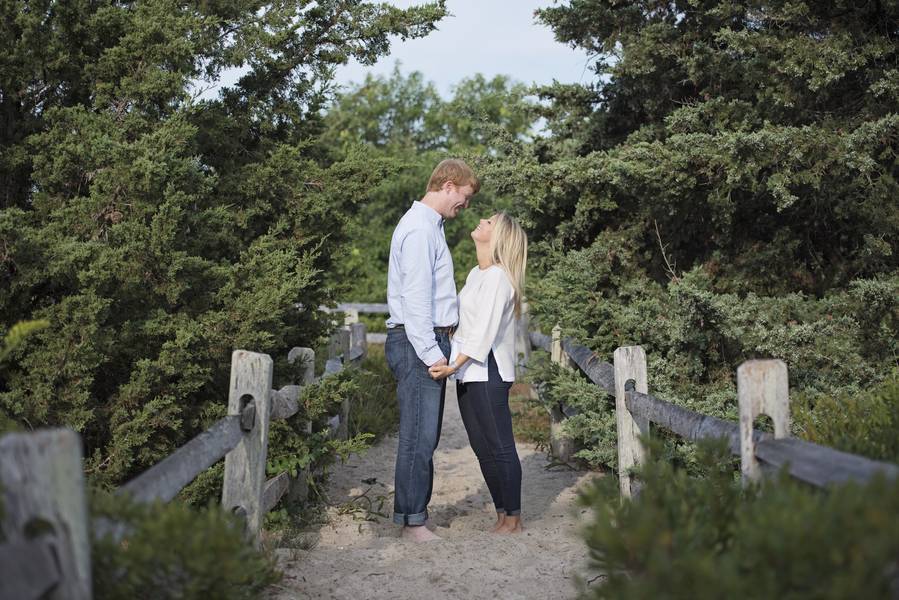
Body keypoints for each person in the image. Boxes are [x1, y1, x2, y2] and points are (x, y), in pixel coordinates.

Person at [384, 158, 479, 542]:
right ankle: (412, 522)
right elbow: (416, 300)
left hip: (423, 339)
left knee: (425, 435)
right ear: (449, 185)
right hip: (417, 342)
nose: (466, 207)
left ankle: (414, 517)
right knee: (418, 436)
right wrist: (432, 353)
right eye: (466, 197)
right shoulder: (421, 230)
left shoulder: (429, 228)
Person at [429, 211, 528, 535]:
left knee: (500, 446)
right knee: (482, 448)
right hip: (467, 371)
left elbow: (483, 332)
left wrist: (452, 365)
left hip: (489, 371)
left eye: (488, 221)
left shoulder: (499, 278)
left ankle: (513, 518)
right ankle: (502, 513)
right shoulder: (476, 274)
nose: (481, 222)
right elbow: (464, 325)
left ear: (498, 235)